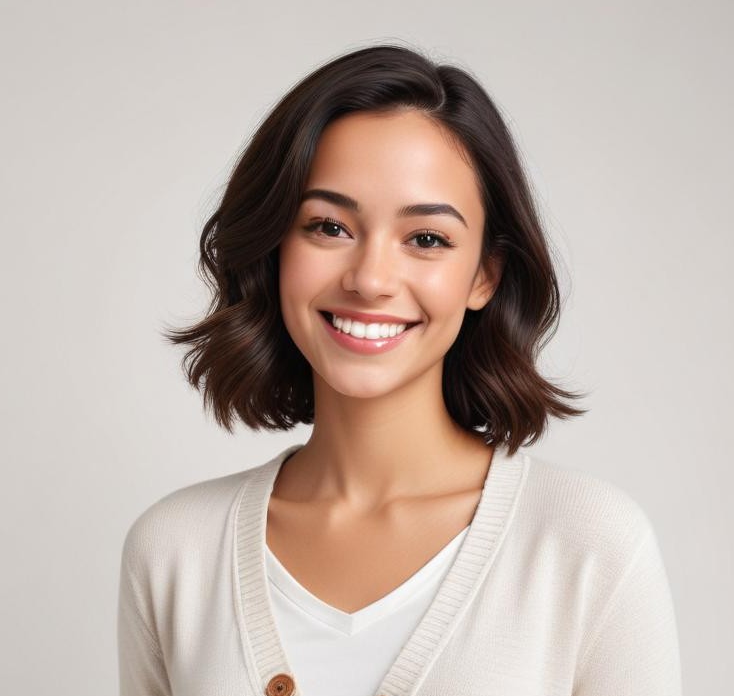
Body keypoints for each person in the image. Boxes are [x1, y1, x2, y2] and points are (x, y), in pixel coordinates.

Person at [117, 44, 682, 696]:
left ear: (484, 276)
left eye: (426, 239)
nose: (370, 279)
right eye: (327, 226)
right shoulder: (175, 550)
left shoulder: (588, 544)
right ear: (273, 250)